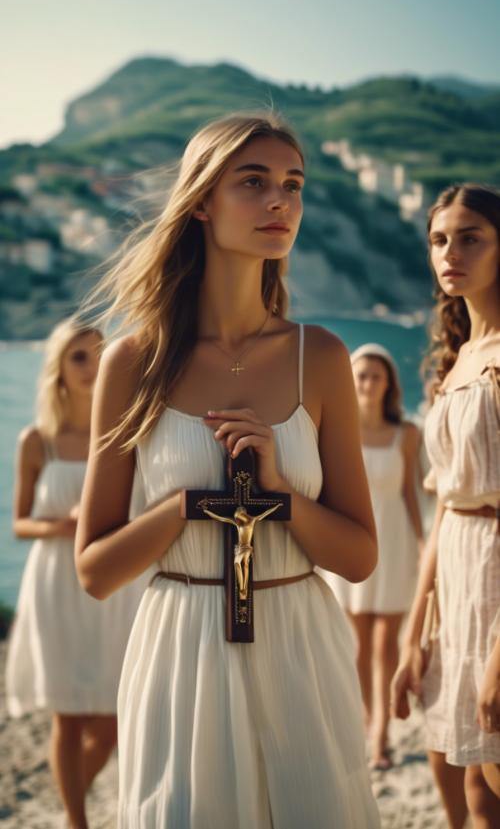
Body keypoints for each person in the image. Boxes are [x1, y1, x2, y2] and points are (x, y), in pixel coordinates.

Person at [74, 112, 381, 828]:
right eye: (254, 182)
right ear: (202, 201)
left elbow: (362, 556)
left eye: (293, 184)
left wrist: (280, 494)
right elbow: (94, 568)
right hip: (181, 647)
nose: (281, 201)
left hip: (302, 640)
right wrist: (187, 505)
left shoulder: (323, 357)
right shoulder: (132, 363)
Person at [6, 317, 149, 829]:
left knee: (114, 716)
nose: (91, 366)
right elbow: (19, 523)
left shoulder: (125, 433)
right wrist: (59, 527)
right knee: (67, 715)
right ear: (59, 370)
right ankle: (78, 819)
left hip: (113, 584)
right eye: (78, 357)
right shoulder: (36, 441)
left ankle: (71, 815)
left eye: (97, 353)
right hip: (54, 586)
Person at [391, 184, 500, 829]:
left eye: (470, 238)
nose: (449, 252)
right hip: (454, 584)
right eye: (438, 239)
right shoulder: (460, 359)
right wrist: (413, 632)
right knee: (467, 790)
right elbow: (446, 510)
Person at [325, 343, 424, 769]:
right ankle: (369, 721)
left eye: (376, 376)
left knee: (387, 645)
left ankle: (381, 735)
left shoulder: (407, 435)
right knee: (359, 645)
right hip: (350, 543)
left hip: (395, 545)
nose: (367, 383)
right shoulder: (334, 430)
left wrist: (426, 548)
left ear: (389, 385)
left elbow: (412, 496)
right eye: (360, 375)